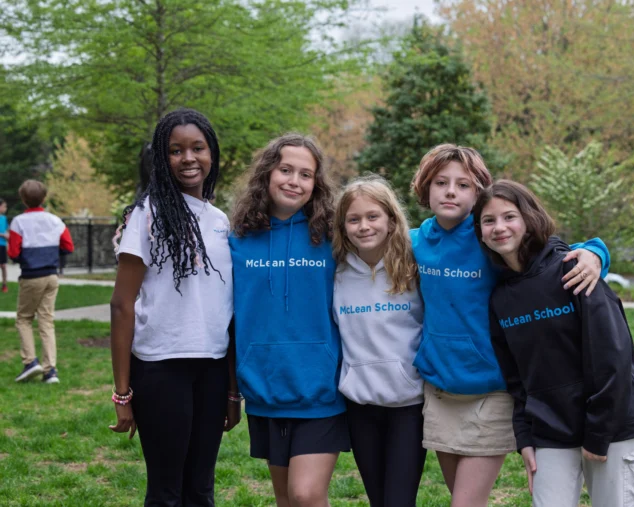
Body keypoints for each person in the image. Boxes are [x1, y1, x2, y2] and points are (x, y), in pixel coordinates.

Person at [409, 144, 610, 507]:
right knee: (463, 499)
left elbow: (548, 252)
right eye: (441, 182)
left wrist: (596, 252)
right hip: (440, 391)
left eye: (464, 184)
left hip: (491, 391)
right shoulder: (415, 242)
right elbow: (367, 242)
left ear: (479, 193)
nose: (451, 190)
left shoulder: (489, 237)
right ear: (425, 188)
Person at [475, 179, 634, 507]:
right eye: (488, 220)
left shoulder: (575, 269)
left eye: (509, 216)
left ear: (529, 218)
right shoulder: (500, 298)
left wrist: (598, 435)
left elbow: (614, 358)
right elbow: (516, 380)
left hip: (611, 426)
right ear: (480, 231)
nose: (499, 227)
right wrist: (525, 438)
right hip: (550, 430)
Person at [109, 108, 240, 506]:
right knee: (166, 491)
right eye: (175, 150)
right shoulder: (145, 217)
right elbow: (120, 305)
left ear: (211, 153)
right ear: (161, 159)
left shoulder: (221, 221)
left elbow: (230, 309)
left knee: (201, 488)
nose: (188, 158)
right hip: (161, 368)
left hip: (213, 368)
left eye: (197, 148)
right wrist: (122, 393)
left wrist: (233, 392)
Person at [229, 134, 349, 507]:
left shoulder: (332, 237)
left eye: (306, 174)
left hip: (320, 389)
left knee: (307, 494)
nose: (294, 181)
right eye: (285, 170)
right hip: (264, 388)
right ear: (267, 173)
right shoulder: (237, 239)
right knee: (285, 500)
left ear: (316, 183)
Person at [332, 175, 425, 506]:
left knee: (399, 501)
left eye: (373, 216)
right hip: (361, 405)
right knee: (378, 500)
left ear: (390, 220)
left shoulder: (415, 264)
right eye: (353, 219)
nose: (363, 226)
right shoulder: (335, 272)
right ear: (343, 226)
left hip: (408, 406)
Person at [10, 180, 74, 383]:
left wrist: (22, 258)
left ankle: (30, 362)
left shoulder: (19, 222)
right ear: (44, 198)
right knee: (46, 320)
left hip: (31, 276)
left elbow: (13, 252)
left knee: (24, 318)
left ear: (23, 199)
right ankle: (50, 371)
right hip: (51, 276)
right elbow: (68, 246)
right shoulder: (55, 221)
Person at [0, 198, 8, 292]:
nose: (5, 208)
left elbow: (6, 230)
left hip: (2, 245)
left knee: (3, 266)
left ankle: (4, 285)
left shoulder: (4, 218)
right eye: (4, 206)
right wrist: (3, 235)